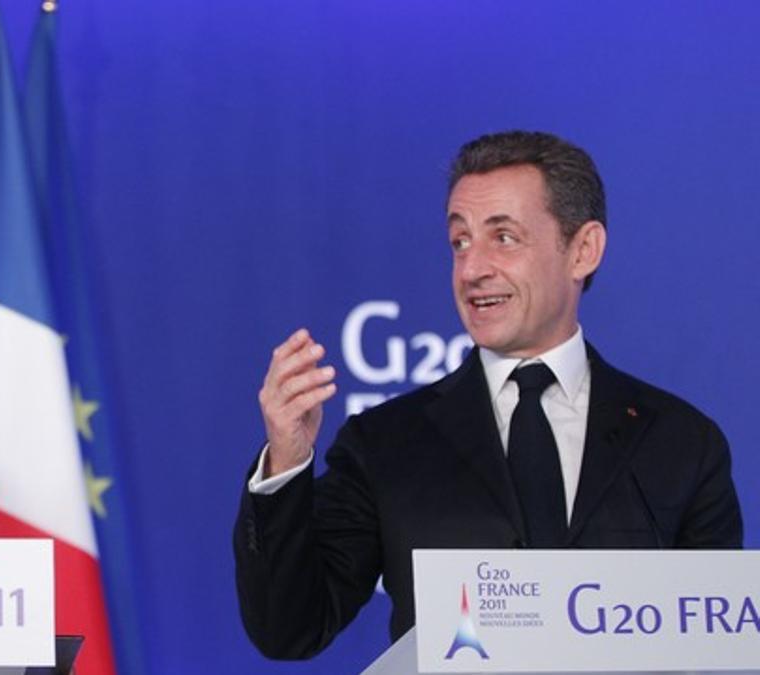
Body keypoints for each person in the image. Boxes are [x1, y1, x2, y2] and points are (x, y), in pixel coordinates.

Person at [234, 130, 742, 658]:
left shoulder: (683, 442)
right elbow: (288, 627)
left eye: (504, 238)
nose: (472, 270)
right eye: (460, 242)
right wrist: (287, 463)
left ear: (583, 250)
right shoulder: (385, 444)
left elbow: (709, 647)